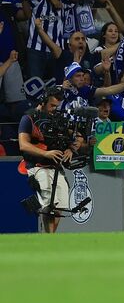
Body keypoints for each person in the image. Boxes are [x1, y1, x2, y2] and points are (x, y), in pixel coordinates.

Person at [17, 86, 79, 233]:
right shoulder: (29, 118)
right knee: (49, 203)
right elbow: (23, 144)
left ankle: (50, 237)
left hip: (56, 166)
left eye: (56, 106)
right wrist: (45, 154)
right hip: (37, 165)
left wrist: (70, 149)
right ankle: (49, 238)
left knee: (60, 205)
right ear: (43, 101)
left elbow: (75, 138)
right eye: (52, 105)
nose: (54, 109)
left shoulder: (57, 119)